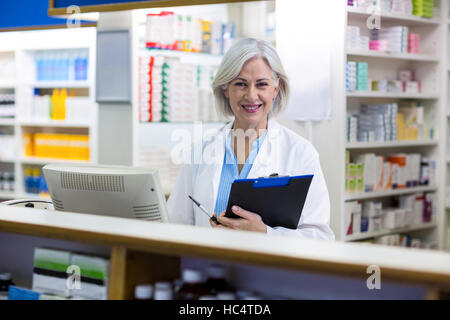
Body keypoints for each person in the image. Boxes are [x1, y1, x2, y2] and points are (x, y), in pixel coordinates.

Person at [167, 38, 334, 240]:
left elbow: (320, 237)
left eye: (261, 84)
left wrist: (264, 233)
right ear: (226, 89)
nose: (251, 95)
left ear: (276, 88)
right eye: (241, 84)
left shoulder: (301, 153)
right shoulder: (201, 150)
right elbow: (176, 225)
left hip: (267, 271)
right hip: (210, 268)